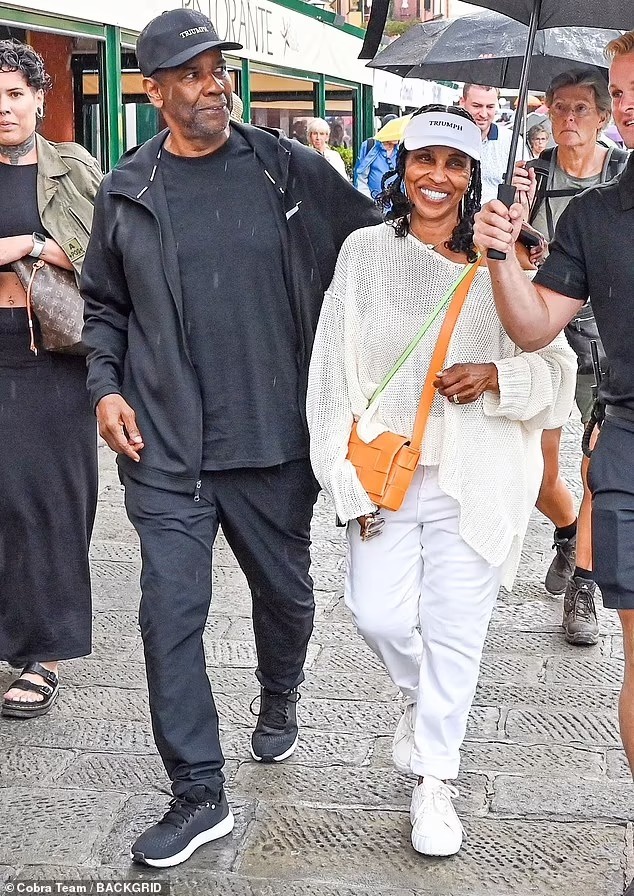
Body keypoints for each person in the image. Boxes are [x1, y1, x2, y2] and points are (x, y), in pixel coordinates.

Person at [80, 7, 380, 869]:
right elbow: (105, 306)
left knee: (284, 599)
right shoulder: (126, 188)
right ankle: (198, 793)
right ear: (155, 89)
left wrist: (479, 245)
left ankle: (279, 693)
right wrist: (105, 389)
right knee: (167, 616)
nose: (217, 84)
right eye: (195, 72)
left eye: (221, 69)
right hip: (166, 449)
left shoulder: (287, 170)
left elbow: (377, 245)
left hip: (273, 443)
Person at [306, 105, 575, 858]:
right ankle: (421, 701)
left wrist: (496, 374)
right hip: (387, 471)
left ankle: (436, 782)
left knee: (457, 631)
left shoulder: (506, 259)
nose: (437, 177)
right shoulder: (363, 252)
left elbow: (559, 373)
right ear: (403, 166)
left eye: (455, 165)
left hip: (478, 473)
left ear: (472, 176)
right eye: (424, 159)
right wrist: (343, 479)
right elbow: (330, 371)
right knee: (378, 614)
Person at [473, 31, 634, 894]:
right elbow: (535, 309)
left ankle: (581, 570)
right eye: (617, 92)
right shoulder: (567, 197)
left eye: (595, 102)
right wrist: (505, 242)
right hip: (594, 388)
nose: (615, 108)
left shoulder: (609, 188)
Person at [0, 40, 100, 719]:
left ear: (40, 98)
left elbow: (108, 252)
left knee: (50, 502)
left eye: (14, 94)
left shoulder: (73, 168)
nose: (3, 107)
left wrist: (30, 245)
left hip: (48, 353)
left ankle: (46, 652)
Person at [513, 68, 629, 646]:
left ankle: (584, 579)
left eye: (580, 109)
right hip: (551, 333)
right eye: (558, 108)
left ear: (603, 117)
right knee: (539, 469)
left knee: (595, 465)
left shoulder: (622, 173)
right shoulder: (529, 177)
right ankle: (565, 531)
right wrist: (513, 227)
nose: (567, 119)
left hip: (607, 339)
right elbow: (512, 264)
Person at [459, 83, 522, 204]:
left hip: (496, 218)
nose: (483, 114)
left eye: (490, 107)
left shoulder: (513, 142)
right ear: (462, 102)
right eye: (477, 106)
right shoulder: (450, 139)